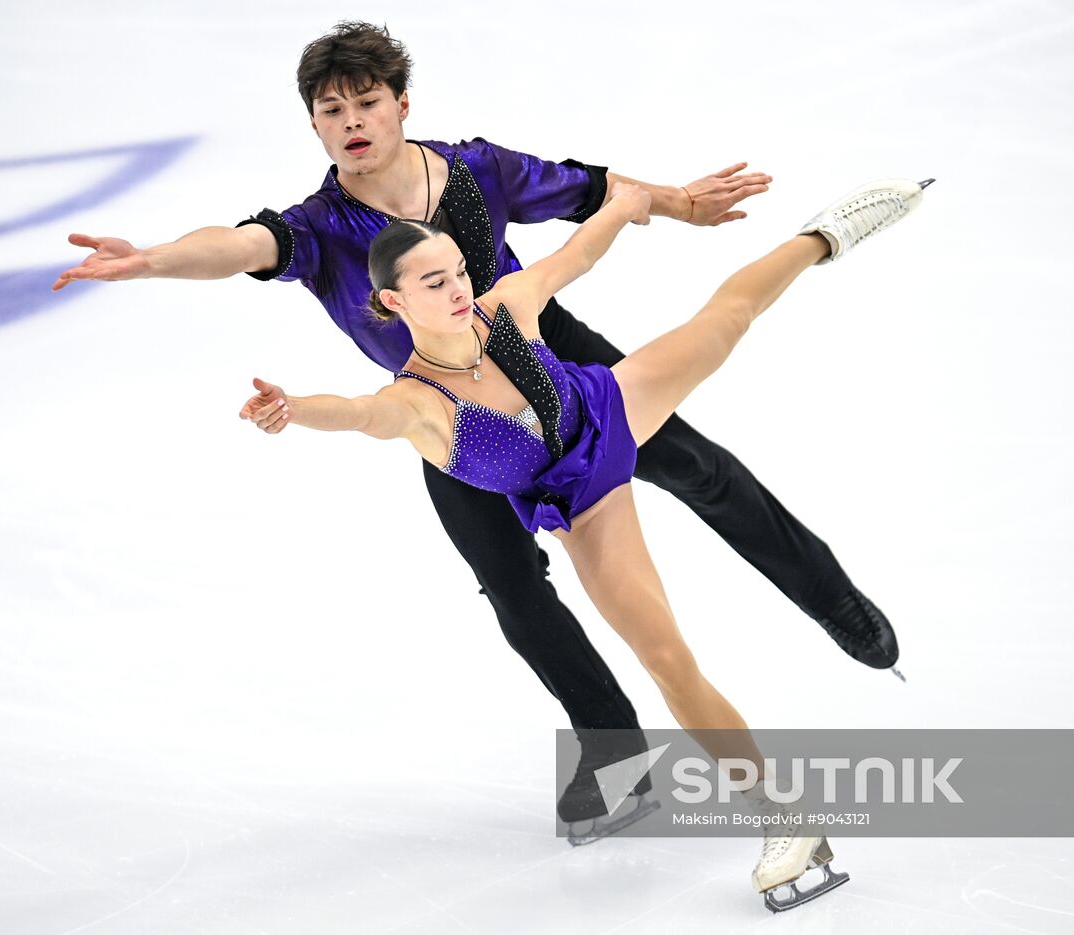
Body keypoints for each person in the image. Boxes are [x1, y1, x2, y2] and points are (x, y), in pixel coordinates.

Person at [52, 20, 899, 841]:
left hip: (544, 350)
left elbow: (586, 193)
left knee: (698, 468)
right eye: (331, 112)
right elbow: (235, 246)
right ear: (313, 123)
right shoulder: (315, 229)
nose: (351, 124)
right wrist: (153, 257)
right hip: (447, 412)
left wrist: (679, 203)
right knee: (515, 590)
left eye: (366, 103)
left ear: (401, 104)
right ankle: (615, 750)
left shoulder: (473, 170)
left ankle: (832, 597)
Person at [239, 176, 933, 910]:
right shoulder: (415, 405)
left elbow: (573, 257)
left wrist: (623, 210)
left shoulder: (501, 308)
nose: (456, 290)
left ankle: (825, 234)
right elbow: (354, 412)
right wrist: (294, 408)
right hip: (581, 502)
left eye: (460, 274)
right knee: (666, 657)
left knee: (729, 316)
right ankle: (784, 816)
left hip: (610, 406)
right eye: (434, 282)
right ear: (391, 302)